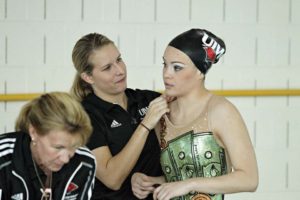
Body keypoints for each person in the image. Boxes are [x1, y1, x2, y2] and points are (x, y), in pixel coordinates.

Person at [131, 28, 259, 200]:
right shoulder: (163, 115)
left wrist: (190, 184)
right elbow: (178, 178)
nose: (166, 74)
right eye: (165, 64)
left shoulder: (221, 111)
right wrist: (149, 182)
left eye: (177, 67)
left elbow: (249, 179)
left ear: (200, 71)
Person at [70, 33, 169, 199]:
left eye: (119, 59)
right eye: (107, 68)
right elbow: (112, 178)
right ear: (88, 77)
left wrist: (157, 180)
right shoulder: (83, 116)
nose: (120, 70)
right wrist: (145, 126)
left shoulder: (147, 100)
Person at [0, 92, 96, 200]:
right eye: (58, 147)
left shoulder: (84, 162)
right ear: (33, 132)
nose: (65, 159)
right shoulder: (3, 158)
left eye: (74, 146)